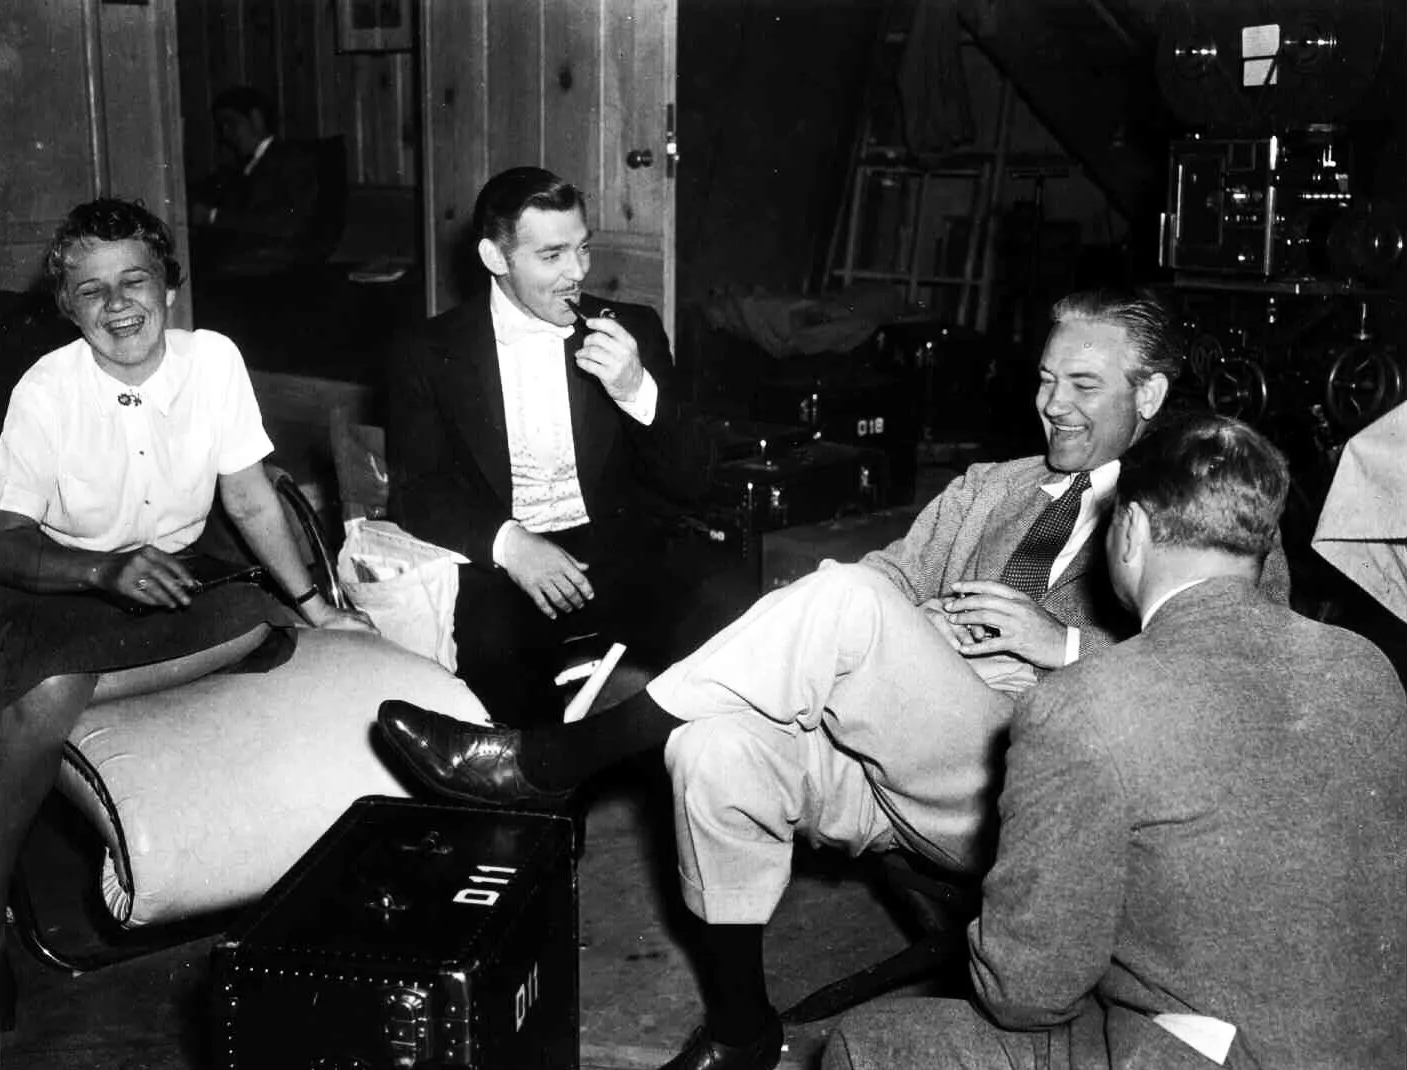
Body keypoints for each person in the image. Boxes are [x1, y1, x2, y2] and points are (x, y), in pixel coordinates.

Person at [378, 290, 1292, 1070]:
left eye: (1083, 386)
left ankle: (556, 759)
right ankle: (742, 1030)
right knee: (713, 743)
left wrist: (1063, 649)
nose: (1051, 404)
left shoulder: (1200, 515)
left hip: (1031, 792)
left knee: (844, 599)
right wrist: (906, 628)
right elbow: (891, 576)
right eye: (1046, 379)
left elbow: (1227, 685)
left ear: (1152, 393)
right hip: (894, 764)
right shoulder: (990, 486)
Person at [823, 413, 1407, 1070]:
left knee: (865, 1040)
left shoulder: (1085, 705)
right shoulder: (1366, 666)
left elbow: (1025, 994)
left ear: (1127, 530)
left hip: (1211, 1054)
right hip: (1373, 1047)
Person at [0, 197, 371, 1029]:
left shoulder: (215, 361)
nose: (117, 304)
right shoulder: (44, 391)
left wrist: (317, 605)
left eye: (135, 279)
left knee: (251, 615)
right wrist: (100, 567)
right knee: (52, 681)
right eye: (90, 291)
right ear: (66, 307)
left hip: (175, 587)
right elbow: (5, 537)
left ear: (169, 285)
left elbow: (249, 496)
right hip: (53, 587)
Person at [385, 166, 711, 727]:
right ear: (495, 258)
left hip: (616, 552)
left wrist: (637, 391)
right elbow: (417, 494)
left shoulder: (633, 329)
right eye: (552, 256)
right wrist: (511, 545)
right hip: (500, 564)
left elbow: (694, 479)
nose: (577, 274)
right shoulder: (426, 351)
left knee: (723, 618)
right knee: (497, 657)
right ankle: (539, 793)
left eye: (582, 250)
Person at [188, 85, 330, 276]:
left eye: (231, 123)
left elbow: (283, 222)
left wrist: (213, 217)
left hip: (277, 266)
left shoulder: (290, 161)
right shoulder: (243, 166)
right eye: (221, 127)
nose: (226, 134)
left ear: (256, 119)